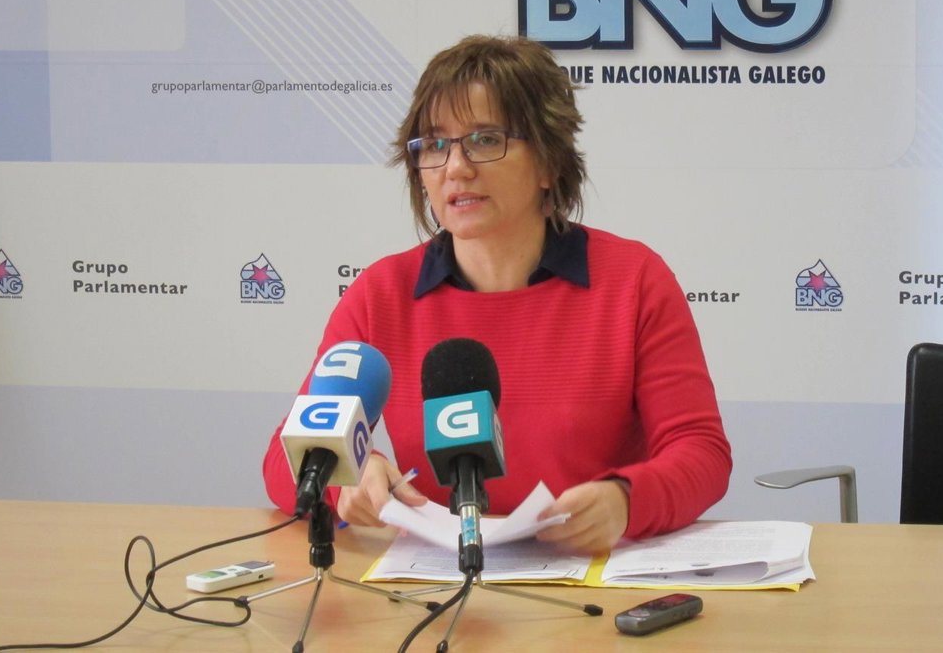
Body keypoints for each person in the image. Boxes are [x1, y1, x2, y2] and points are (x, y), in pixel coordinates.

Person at [262, 35, 731, 554]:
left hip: (591, 576)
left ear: (549, 162)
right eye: (435, 145)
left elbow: (701, 453)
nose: (455, 168)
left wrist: (626, 500)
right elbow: (283, 462)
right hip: (436, 581)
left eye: (485, 140)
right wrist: (346, 476)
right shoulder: (381, 294)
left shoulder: (633, 280)